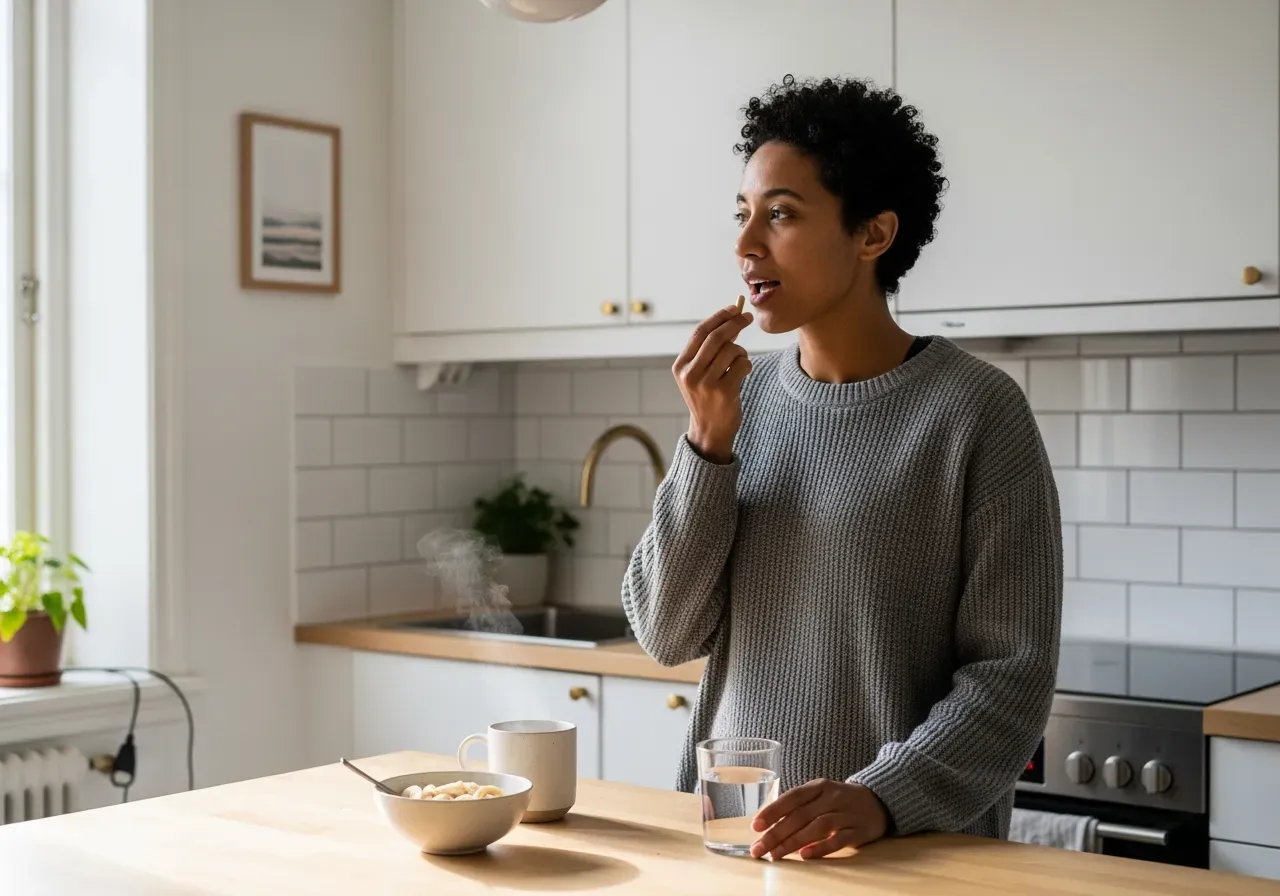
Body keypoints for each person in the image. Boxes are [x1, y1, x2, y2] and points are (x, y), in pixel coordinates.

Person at [620, 74, 1063, 861]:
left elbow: (1012, 674)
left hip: (906, 853)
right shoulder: (733, 406)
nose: (747, 243)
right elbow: (665, 631)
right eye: (743, 214)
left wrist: (882, 797)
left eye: (782, 214)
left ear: (873, 235)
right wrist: (706, 446)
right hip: (734, 842)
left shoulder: (977, 413)